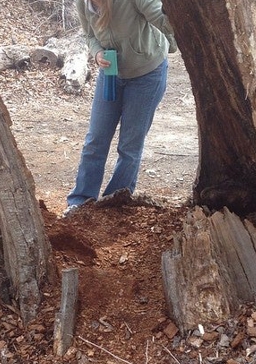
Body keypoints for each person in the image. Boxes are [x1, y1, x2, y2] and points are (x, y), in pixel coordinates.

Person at [64, 0, 176, 216]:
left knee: (129, 146)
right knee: (95, 141)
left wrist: (179, 14)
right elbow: (89, 36)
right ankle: (80, 202)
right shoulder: (83, 2)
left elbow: (165, 21)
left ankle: (114, 205)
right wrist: (97, 53)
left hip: (147, 74)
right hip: (111, 73)